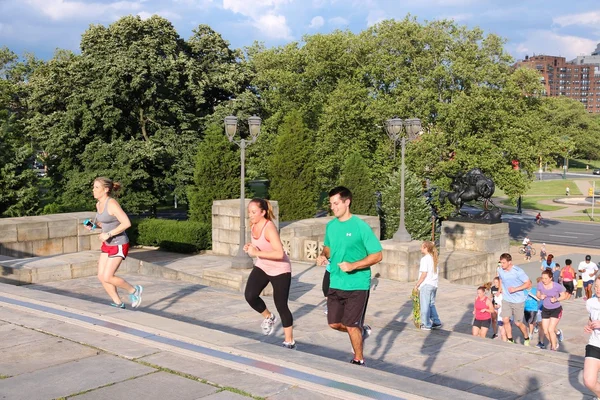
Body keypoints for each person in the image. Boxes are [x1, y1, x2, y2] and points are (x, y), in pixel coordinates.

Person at [316, 186, 383, 366]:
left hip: (357, 285)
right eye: (331, 204)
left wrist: (353, 265)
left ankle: (358, 359)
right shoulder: (331, 226)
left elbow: (377, 255)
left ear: (347, 202)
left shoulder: (360, 227)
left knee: (352, 325)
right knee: (334, 323)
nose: (333, 207)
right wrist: (323, 255)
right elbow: (328, 247)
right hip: (336, 281)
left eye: (336, 203)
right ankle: (362, 331)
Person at [243, 198, 295, 349]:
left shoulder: (269, 227)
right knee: (250, 295)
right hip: (263, 265)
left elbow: (279, 254)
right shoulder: (253, 225)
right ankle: (268, 316)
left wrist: (256, 253)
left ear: (263, 212)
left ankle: (289, 341)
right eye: (249, 212)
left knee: (281, 304)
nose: (250, 215)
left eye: (254, 212)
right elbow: (260, 246)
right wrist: (251, 247)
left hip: (280, 269)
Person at [89, 177, 142, 309]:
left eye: (96, 187)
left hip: (119, 243)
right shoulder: (98, 204)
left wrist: (108, 234)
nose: (93, 190)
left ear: (106, 189)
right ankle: (118, 302)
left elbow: (126, 223)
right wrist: (95, 226)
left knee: (108, 276)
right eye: (93, 187)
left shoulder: (112, 203)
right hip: (107, 244)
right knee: (101, 276)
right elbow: (107, 224)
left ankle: (134, 290)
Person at [497, 253, 532, 345]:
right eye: (501, 263)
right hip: (506, 299)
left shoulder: (518, 271)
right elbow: (501, 279)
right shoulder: (500, 270)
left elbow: (527, 283)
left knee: (518, 323)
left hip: (518, 301)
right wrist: (500, 290)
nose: (502, 265)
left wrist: (515, 289)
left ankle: (526, 337)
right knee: (505, 320)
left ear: (510, 262)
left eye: (504, 263)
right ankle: (510, 339)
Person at [414, 241, 443, 331]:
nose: (420, 249)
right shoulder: (433, 258)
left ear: (426, 248)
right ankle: (436, 321)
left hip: (426, 285)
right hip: (434, 284)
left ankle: (426, 324)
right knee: (431, 304)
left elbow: (424, 274)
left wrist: (417, 285)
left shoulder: (425, 259)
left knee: (425, 305)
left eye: (422, 247)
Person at [537, 269, 567, 351]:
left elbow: (564, 296)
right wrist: (540, 297)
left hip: (556, 309)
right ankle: (554, 343)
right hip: (545, 309)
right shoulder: (540, 285)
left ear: (551, 278)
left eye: (546, 278)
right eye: (543, 278)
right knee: (546, 331)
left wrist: (556, 299)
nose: (544, 280)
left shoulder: (557, 286)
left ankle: (553, 348)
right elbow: (538, 294)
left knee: (551, 329)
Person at [583, 276, 600, 397]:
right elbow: (591, 319)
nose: (597, 289)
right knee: (589, 381)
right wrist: (589, 326)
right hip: (595, 343)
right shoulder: (591, 302)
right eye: (596, 286)